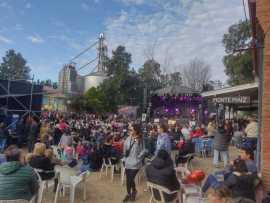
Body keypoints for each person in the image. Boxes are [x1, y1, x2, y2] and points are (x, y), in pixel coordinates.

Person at [122, 123, 147, 202]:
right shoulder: (128, 138)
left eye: (131, 130)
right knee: (129, 179)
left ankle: (129, 194)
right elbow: (125, 149)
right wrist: (124, 158)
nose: (129, 131)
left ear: (136, 130)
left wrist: (138, 158)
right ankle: (131, 192)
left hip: (135, 164)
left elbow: (144, 150)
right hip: (128, 162)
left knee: (130, 179)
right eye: (129, 129)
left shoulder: (140, 139)